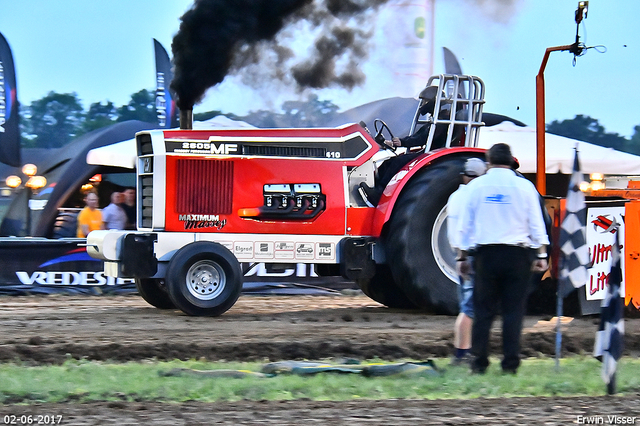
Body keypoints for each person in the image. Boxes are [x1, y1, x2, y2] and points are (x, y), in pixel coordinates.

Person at [456, 143, 549, 375]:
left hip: (486, 255)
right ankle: (510, 365)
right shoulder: (525, 187)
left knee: (483, 311)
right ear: (511, 161)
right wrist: (541, 255)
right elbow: (536, 224)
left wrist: (462, 258)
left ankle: (478, 363)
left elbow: (464, 227)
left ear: (488, 162)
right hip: (517, 255)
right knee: (513, 312)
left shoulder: (476, 187)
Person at [446, 157, 487, 366]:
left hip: (460, 256)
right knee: (471, 309)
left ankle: (465, 351)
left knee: (467, 306)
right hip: (471, 255)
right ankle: (462, 354)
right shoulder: (473, 198)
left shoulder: (455, 197)